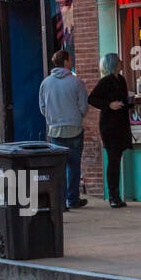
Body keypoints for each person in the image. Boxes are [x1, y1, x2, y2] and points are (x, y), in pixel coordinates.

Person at [39, 49, 89, 209]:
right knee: (74, 166)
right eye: (70, 59)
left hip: (55, 130)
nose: (72, 61)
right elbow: (83, 107)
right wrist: (76, 116)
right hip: (74, 128)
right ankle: (72, 199)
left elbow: (42, 108)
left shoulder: (45, 83)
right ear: (66, 61)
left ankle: (59, 202)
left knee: (58, 168)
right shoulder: (77, 82)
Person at [88, 53, 133, 208]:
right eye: (119, 60)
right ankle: (113, 196)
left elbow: (124, 100)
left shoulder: (121, 80)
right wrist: (109, 105)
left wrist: (130, 103)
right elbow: (92, 98)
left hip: (121, 124)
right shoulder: (105, 81)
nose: (122, 62)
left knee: (117, 158)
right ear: (114, 63)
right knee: (113, 160)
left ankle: (116, 195)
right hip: (109, 126)